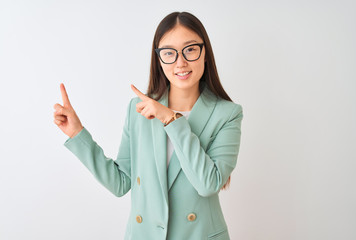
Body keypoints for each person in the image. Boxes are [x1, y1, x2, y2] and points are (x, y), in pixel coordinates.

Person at [53, 11, 243, 240]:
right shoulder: (139, 110)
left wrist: (171, 120)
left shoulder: (227, 114)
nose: (180, 62)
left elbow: (208, 184)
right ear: (159, 59)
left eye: (190, 49)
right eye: (169, 53)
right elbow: (120, 183)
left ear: (205, 53)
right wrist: (77, 133)